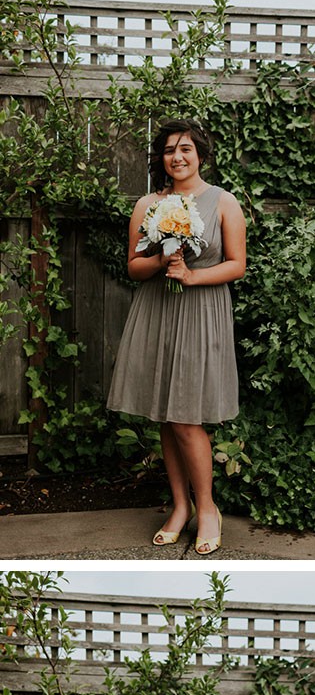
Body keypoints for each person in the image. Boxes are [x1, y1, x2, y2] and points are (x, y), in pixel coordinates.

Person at [107, 119, 247, 555]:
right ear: (161, 159)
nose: (177, 157)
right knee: (166, 417)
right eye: (169, 150)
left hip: (200, 311)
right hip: (157, 311)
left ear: (200, 154)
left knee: (187, 417)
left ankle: (207, 509)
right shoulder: (148, 204)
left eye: (185, 148)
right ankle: (180, 507)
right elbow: (133, 267)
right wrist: (163, 257)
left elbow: (237, 265)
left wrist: (190, 274)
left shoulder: (225, 203)